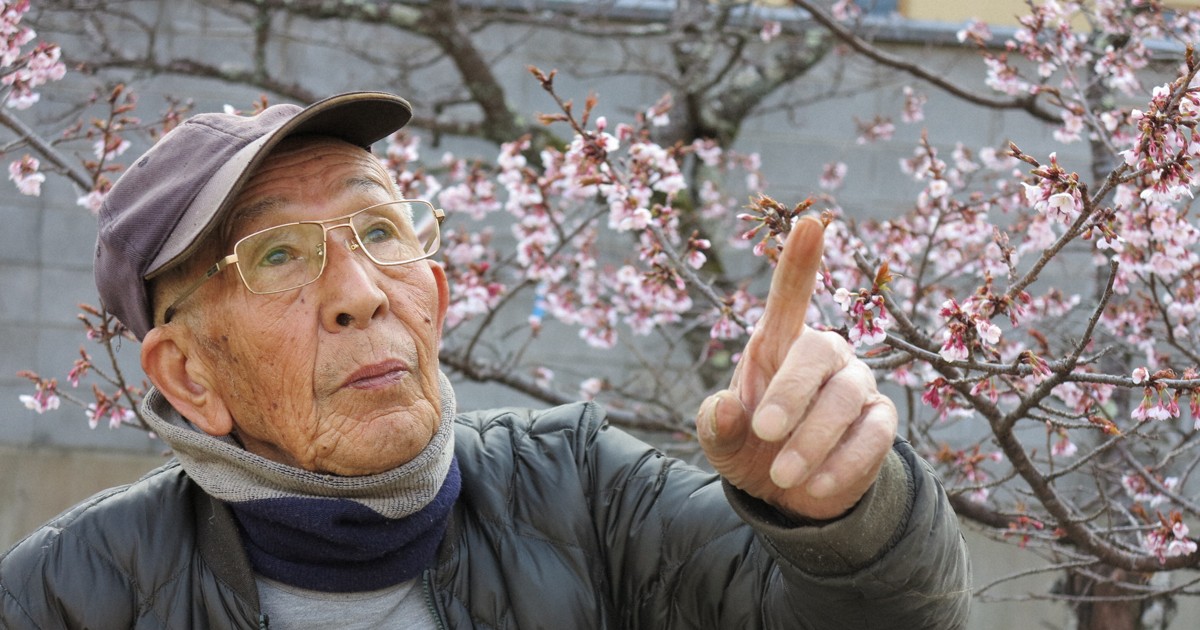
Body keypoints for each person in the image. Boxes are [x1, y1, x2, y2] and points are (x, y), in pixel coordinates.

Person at [0, 91, 970, 629]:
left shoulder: (585, 493)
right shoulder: (68, 597)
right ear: (188, 377)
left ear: (435, 294)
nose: (360, 289)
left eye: (379, 228)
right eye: (278, 255)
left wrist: (839, 514)